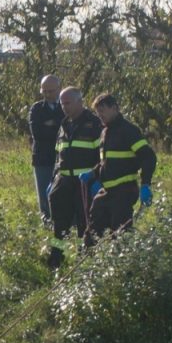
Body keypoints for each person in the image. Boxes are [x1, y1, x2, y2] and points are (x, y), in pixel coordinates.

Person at [83, 93, 157, 243]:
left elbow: (148, 157)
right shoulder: (104, 132)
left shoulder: (129, 131)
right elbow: (108, 161)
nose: (100, 115)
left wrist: (145, 184)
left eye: (103, 110)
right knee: (92, 232)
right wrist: (94, 173)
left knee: (120, 234)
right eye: (98, 112)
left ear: (115, 108)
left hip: (124, 191)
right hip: (106, 192)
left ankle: (123, 264)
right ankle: (91, 263)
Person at [45, 87, 102, 269]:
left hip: (85, 183)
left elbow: (102, 155)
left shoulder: (94, 124)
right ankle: (56, 259)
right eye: (62, 103)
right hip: (63, 182)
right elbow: (57, 155)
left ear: (80, 102)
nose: (64, 107)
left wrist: (97, 177)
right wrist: (54, 178)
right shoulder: (63, 124)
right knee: (59, 224)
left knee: (84, 224)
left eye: (67, 103)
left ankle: (83, 260)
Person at [27, 74, 63, 224]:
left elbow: (70, 130)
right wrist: (58, 127)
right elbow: (38, 134)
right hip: (42, 159)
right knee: (44, 195)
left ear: (59, 89)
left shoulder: (67, 106)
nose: (47, 95)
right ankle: (47, 224)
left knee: (62, 195)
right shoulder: (36, 109)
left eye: (51, 91)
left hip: (63, 159)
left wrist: (51, 125)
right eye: (44, 91)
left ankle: (63, 224)